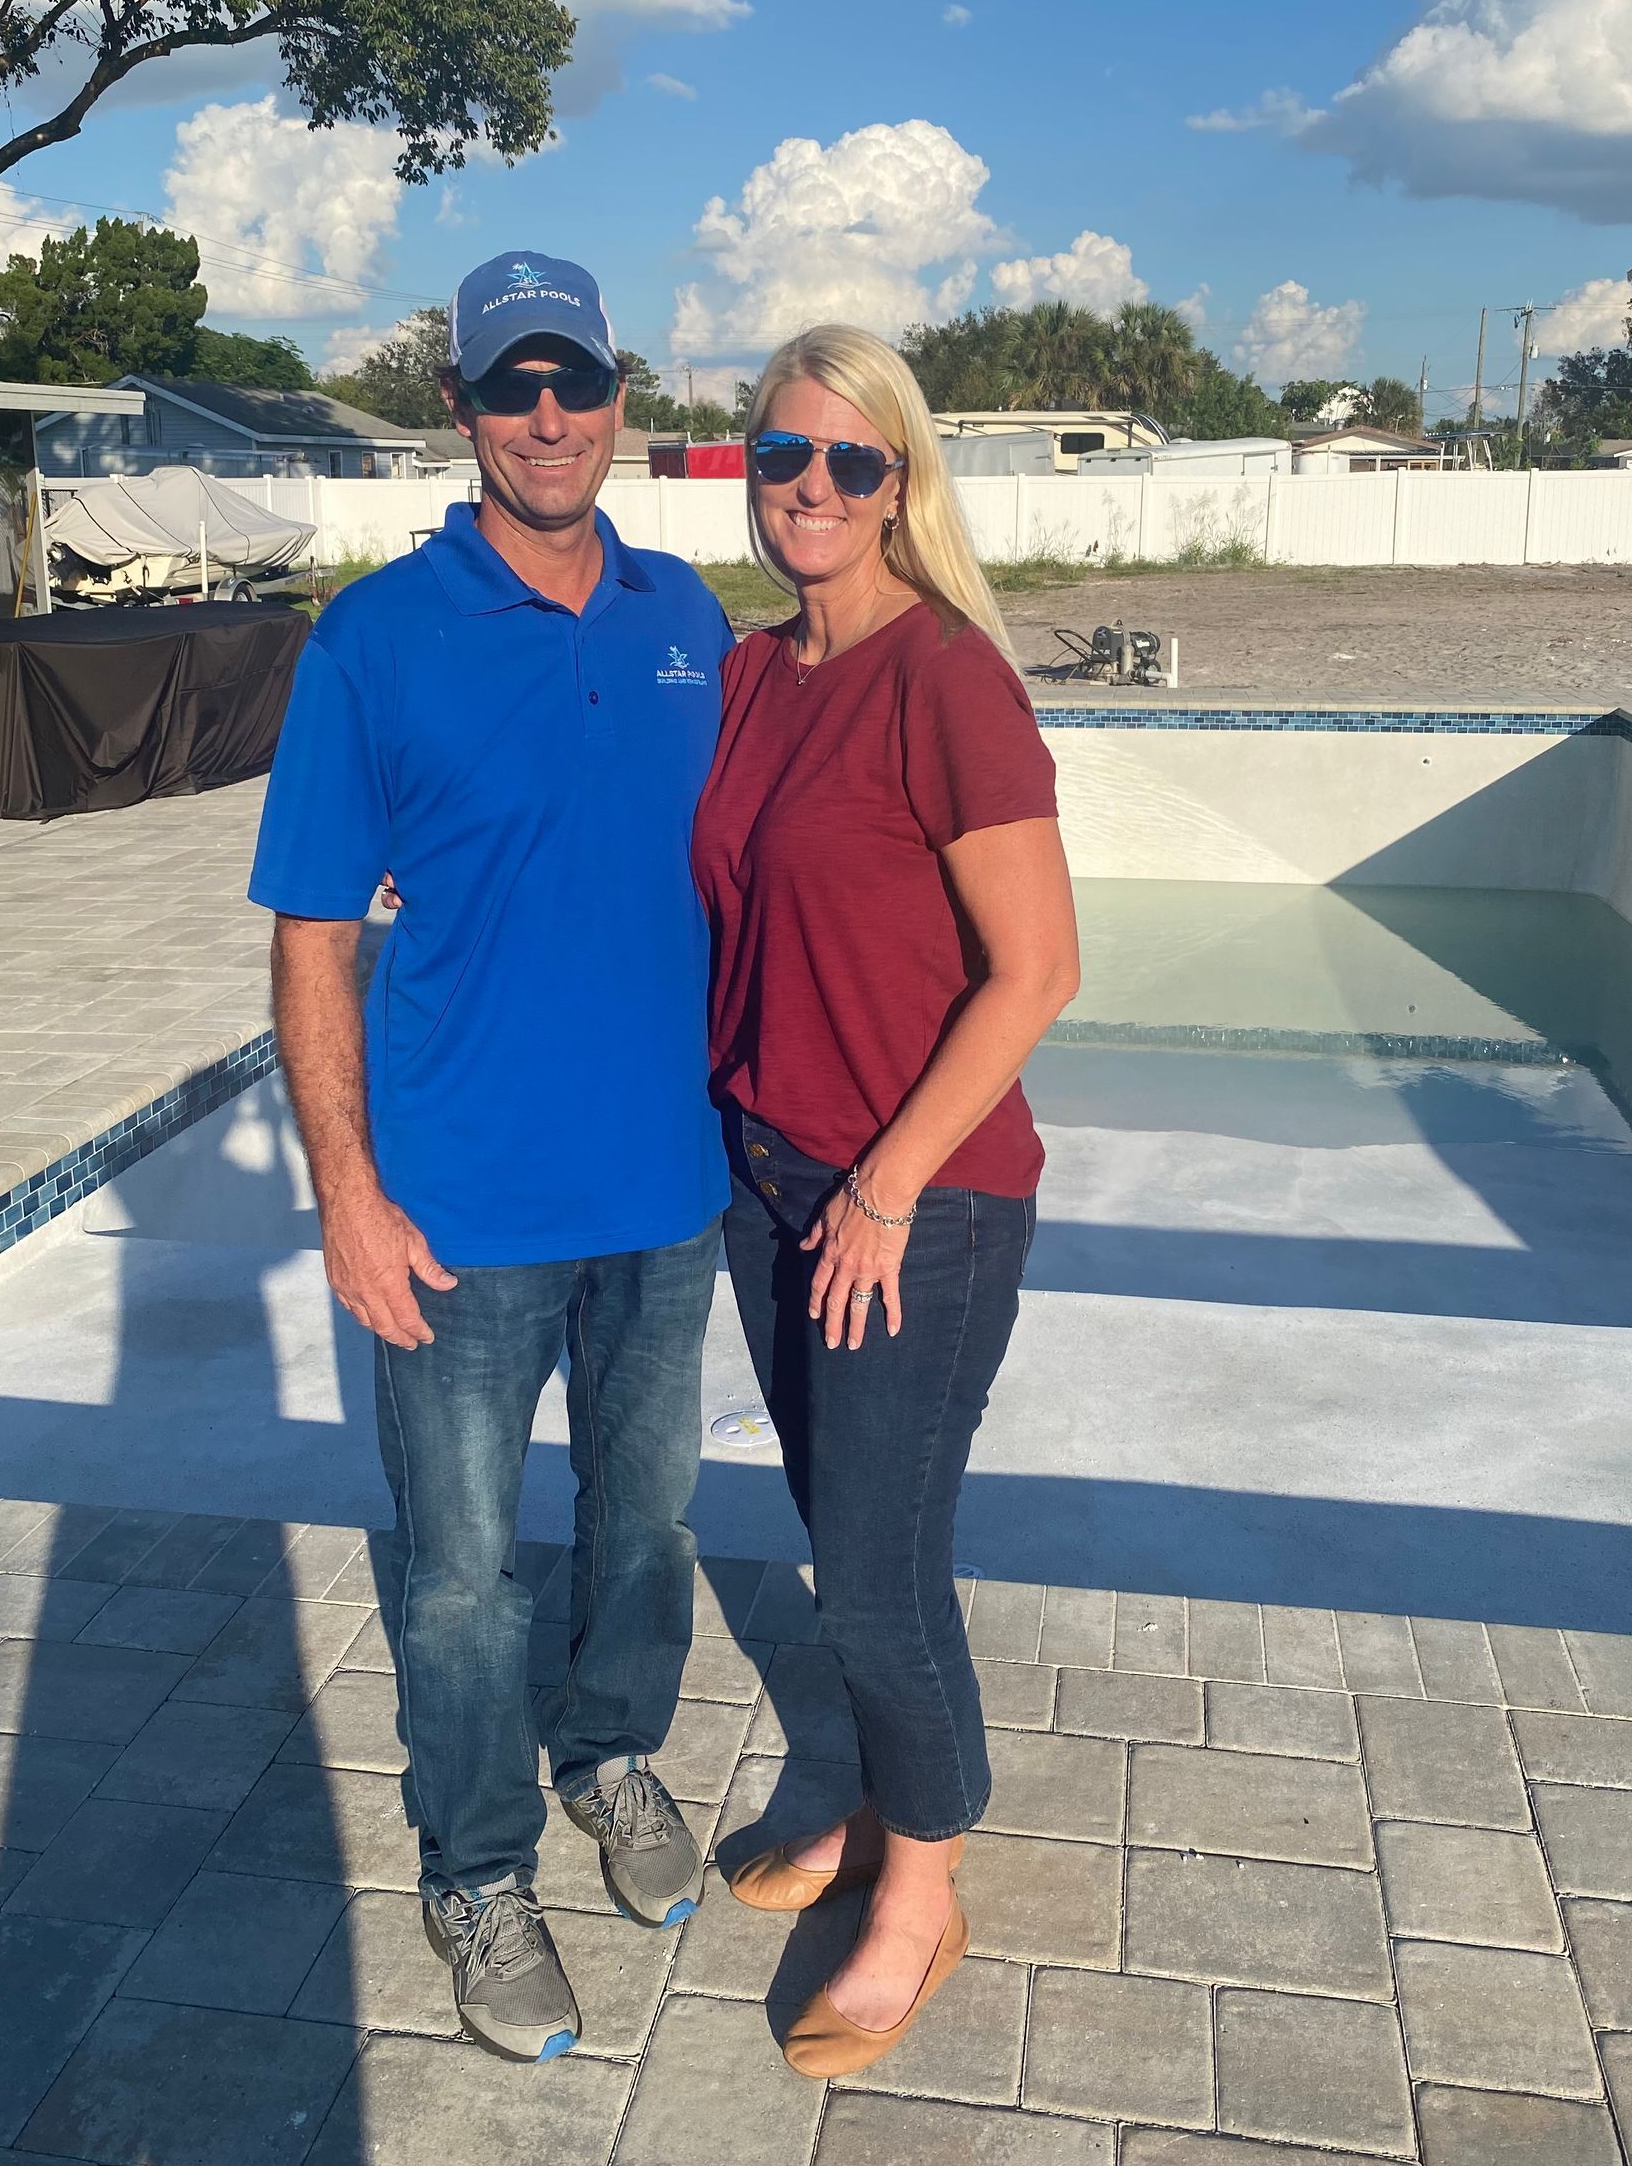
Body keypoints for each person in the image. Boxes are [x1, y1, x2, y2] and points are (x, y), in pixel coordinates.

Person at [248, 251, 734, 2066]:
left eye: (578, 384)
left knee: (648, 1522)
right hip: (455, 1215)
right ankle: (475, 1866)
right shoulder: (375, 640)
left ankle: (612, 1758)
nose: (549, 418)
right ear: (458, 409)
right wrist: (346, 1194)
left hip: (667, 1193)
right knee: (458, 1574)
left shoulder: (693, 618)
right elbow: (311, 936)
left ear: (619, 395)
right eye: (511, 388)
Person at [691, 323, 1080, 2079]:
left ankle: (920, 1886)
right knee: (847, 1531)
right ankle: (870, 1795)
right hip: (769, 1178)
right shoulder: (758, 673)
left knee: (871, 1573)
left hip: (913, 1206)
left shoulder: (949, 681)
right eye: (788, 458)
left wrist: (887, 1187)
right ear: (750, 474)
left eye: (856, 462)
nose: (817, 489)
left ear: (905, 483)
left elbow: (1038, 971)